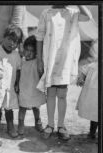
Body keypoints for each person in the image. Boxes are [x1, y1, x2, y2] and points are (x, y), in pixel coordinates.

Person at [35, 5, 92, 141]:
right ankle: (50, 125)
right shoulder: (46, 13)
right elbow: (39, 36)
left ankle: (61, 126)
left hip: (66, 61)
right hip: (50, 59)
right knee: (50, 94)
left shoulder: (73, 12)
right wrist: (39, 60)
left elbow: (88, 16)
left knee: (62, 94)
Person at [0, 24, 23, 138]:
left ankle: (10, 126)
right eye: (9, 39)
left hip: (9, 87)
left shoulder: (16, 55)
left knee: (9, 108)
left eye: (15, 41)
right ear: (4, 37)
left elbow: (18, 70)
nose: (11, 43)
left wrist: (17, 83)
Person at [18, 35, 46, 136]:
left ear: (37, 52)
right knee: (22, 107)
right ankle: (21, 124)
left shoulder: (37, 62)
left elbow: (41, 74)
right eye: (26, 50)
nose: (28, 53)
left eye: (32, 50)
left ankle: (38, 122)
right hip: (24, 88)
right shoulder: (22, 61)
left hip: (35, 89)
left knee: (36, 106)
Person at [76, 39, 98, 139]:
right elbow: (84, 70)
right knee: (94, 114)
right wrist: (81, 78)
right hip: (94, 97)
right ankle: (92, 132)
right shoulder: (94, 65)